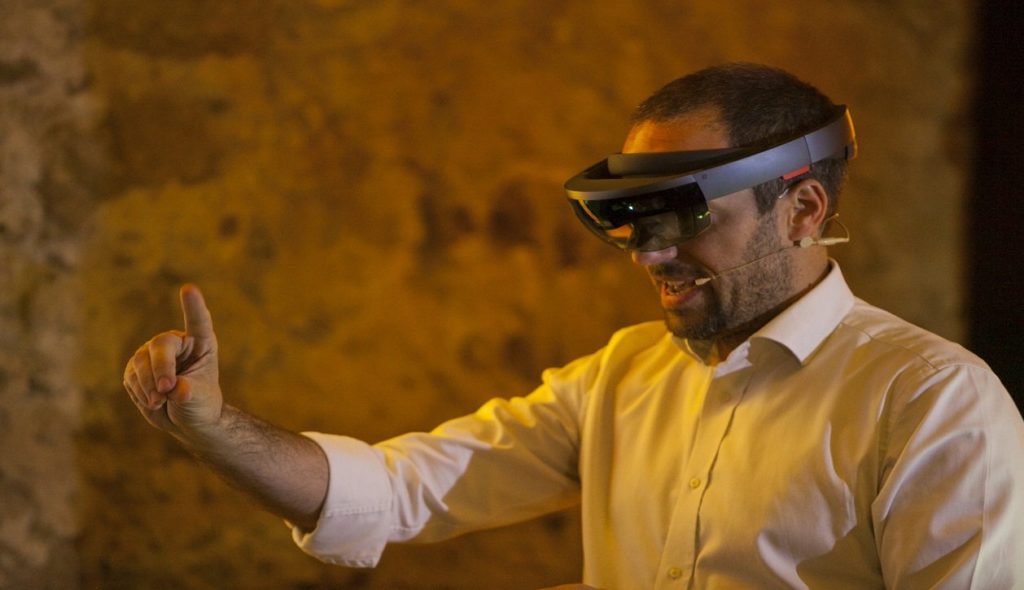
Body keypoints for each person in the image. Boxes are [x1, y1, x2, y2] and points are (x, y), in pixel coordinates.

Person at [122, 63, 1024, 589]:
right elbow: (393, 492)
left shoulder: (932, 401)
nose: (648, 254)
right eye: (633, 223)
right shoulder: (621, 377)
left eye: (685, 217)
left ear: (802, 210)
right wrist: (214, 428)